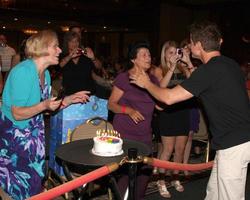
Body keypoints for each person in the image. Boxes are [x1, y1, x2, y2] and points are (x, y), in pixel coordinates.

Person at [130, 21, 250, 200]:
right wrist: (189, 64)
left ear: (199, 45)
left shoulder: (209, 71)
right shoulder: (229, 64)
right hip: (239, 139)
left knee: (229, 196)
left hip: (233, 144)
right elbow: (207, 88)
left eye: (191, 42)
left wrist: (146, 83)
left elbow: (169, 98)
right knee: (213, 192)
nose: (188, 46)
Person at [0, 30, 89, 199]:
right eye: (55, 46)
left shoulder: (45, 73)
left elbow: (47, 107)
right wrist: (44, 105)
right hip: (16, 140)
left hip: (33, 136)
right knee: (20, 186)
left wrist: (69, 100)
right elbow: (17, 114)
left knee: (34, 181)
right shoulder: (23, 72)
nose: (60, 50)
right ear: (43, 48)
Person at [108, 41, 160, 200]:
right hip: (125, 134)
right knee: (124, 177)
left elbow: (159, 105)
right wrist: (128, 110)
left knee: (143, 176)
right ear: (133, 59)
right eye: (143, 55)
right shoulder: (124, 78)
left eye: (149, 54)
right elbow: (111, 104)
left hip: (144, 134)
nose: (148, 57)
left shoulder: (152, 81)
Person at [150, 40, 192, 198]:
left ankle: (175, 177)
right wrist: (172, 68)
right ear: (164, 54)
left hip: (183, 111)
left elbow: (194, 82)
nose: (174, 55)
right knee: (167, 150)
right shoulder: (160, 70)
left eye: (176, 52)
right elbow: (160, 88)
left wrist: (186, 64)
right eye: (170, 53)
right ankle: (161, 180)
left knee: (180, 150)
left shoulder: (183, 67)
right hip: (167, 113)